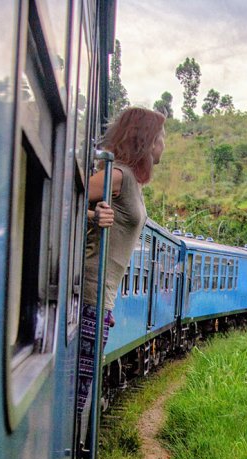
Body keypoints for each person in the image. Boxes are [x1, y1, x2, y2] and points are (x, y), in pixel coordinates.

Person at [77, 107, 166, 414]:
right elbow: (65, 195)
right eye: (160, 136)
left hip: (103, 297)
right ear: (146, 140)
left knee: (82, 385)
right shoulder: (120, 176)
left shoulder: (132, 183)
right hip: (91, 292)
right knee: (78, 390)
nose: (163, 144)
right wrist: (92, 216)